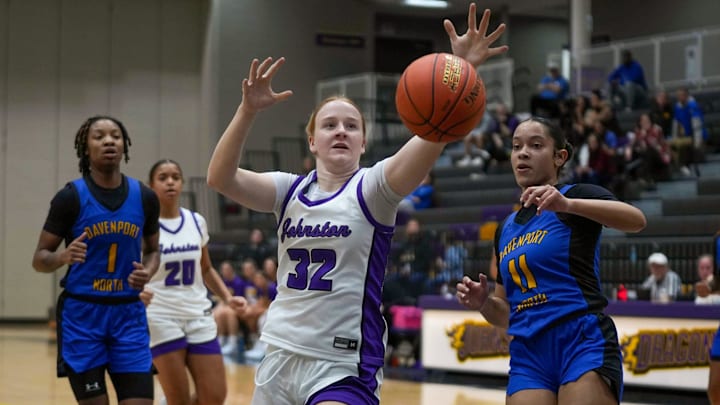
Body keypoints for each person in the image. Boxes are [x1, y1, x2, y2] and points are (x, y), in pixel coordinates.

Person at [205, 4, 508, 404]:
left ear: (364, 143)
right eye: (329, 125)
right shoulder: (288, 190)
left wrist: (459, 69)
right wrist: (247, 111)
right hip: (279, 353)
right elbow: (220, 178)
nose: (341, 131)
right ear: (312, 141)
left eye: (352, 126)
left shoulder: (373, 188)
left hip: (341, 363)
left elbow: (435, 129)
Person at [455, 116, 646, 405]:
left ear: (560, 157)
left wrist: (567, 205)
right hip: (529, 354)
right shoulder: (505, 229)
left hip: (580, 340)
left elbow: (636, 221)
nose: (523, 153)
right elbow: (506, 313)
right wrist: (483, 304)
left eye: (535, 145)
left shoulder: (576, 196)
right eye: (516, 146)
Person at [31, 115, 162, 405]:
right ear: (85, 148)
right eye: (99, 136)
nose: (108, 141)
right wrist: (62, 256)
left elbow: (153, 250)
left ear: (124, 146)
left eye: (115, 135)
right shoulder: (70, 198)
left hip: (128, 315)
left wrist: (148, 271)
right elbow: (39, 259)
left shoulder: (144, 197)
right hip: (82, 316)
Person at [142, 159, 247, 405]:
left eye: (175, 177)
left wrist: (227, 297)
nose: (170, 182)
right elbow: (129, 270)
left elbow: (207, 268)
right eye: (163, 177)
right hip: (161, 315)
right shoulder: (143, 227)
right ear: (151, 186)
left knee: (214, 396)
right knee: (178, 399)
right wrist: (133, 292)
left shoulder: (196, 221)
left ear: (181, 183)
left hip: (198, 313)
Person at [212, 260, 248, 354]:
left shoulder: (238, 282)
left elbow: (239, 300)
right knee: (217, 313)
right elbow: (221, 300)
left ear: (232, 270)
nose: (225, 271)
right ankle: (221, 340)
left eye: (227, 269)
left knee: (229, 313)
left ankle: (233, 343)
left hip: (239, 306)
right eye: (223, 269)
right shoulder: (223, 282)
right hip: (227, 306)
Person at [671, 87, 707, 177]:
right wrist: (675, 139)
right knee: (680, 147)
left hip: (697, 135)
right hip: (686, 136)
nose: (680, 97)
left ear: (686, 96)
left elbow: (697, 125)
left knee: (694, 150)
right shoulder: (677, 107)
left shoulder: (693, 106)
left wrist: (697, 142)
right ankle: (683, 167)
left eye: (682, 95)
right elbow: (676, 123)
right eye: (678, 96)